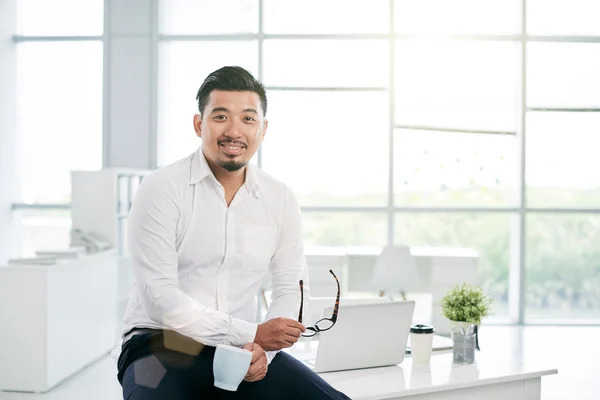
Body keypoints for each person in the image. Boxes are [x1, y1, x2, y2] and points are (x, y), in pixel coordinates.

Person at [116, 66, 350, 399]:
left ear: (264, 129)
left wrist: (262, 351)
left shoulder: (279, 198)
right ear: (200, 124)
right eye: (221, 117)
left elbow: (291, 287)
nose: (234, 131)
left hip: (242, 349)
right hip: (161, 343)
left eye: (248, 119)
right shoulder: (161, 188)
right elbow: (160, 300)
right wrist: (253, 331)